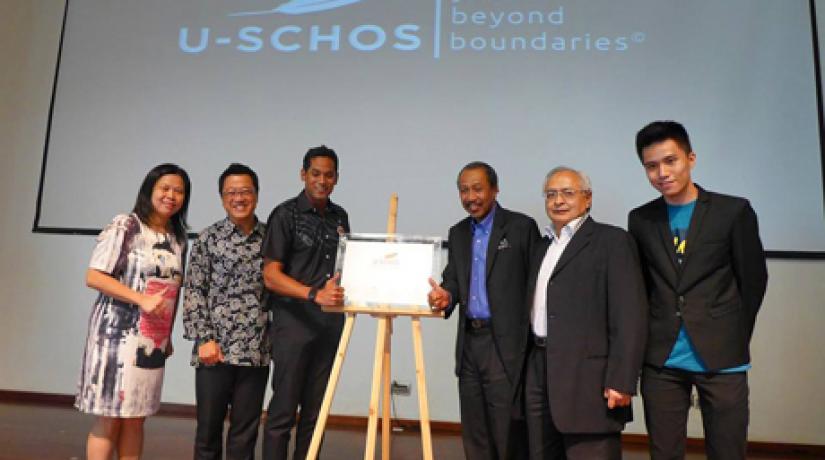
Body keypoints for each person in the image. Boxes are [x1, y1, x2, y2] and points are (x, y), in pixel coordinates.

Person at [628, 121, 768, 460]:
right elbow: (642, 288)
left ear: (690, 158)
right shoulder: (641, 219)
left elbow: (753, 281)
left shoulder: (732, 211)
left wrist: (732, 335)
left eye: (670, 160)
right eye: (651, 166)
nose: (662, 172)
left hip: (722, 359)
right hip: (661, 361)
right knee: (664, 453)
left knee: (727, 451)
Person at [524, 166, 647, 459]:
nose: (558, 201)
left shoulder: (612, 242)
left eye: (568, 193)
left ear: (588, 199)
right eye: (551, 194)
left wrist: (622, 379)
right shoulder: (542, 247)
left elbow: (630, 315)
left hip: (590, 379)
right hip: (540, 372)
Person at [76, 163, 191, 460]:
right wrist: (140, 299)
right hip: (115, 336)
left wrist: (168, 336)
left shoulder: (178, 239)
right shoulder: (126, 225)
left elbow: (171, 292)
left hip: (151, 340)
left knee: (137, 416)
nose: (171, 196)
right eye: (165, 188)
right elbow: (95, 276)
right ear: (149, 190)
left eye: (179, 191)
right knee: (111, 415)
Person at [427, 161, 540, 459]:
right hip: (469, 343)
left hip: (505, 344)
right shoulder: (459, 233)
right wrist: (445, 296)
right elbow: (453, 279)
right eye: (463, 190)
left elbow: (536, 284)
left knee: (507, 429)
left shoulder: (521, 227)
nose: (470, 197)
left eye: (477, 188)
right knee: (474, 428)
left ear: (495, 189)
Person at [261, 146, 349, 460]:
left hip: (330, 325)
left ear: (336, 179)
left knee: (316, 413)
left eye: (328, 175)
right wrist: (313, 294)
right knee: (283, 410)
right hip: (293, 324)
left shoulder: (340, 217)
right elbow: (270, 275)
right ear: (303, 175)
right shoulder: (286, 214)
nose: (322, 180)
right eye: (315, 174)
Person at [183, 163, 270, 460]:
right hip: (214, 351)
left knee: (245, 435)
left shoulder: (271, 238)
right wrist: (204, 338)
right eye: (231, 192)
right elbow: (194, 290)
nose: (239, 198)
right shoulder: (208, 238)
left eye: (245, 191)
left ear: (256, 195)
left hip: (255, 351)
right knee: (208, 433)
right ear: (222, 198)